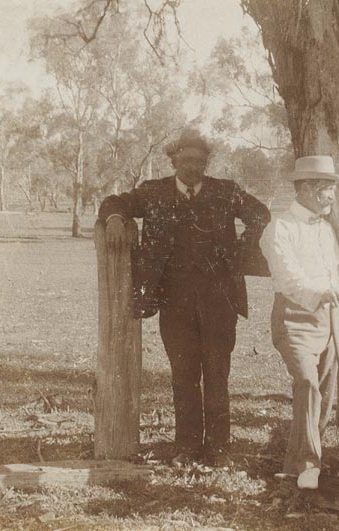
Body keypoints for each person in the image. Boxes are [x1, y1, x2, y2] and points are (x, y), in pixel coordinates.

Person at [98, 128, 271, 467]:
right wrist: (116, 218)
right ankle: (187, 446)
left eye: (200, 161)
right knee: (183, 375)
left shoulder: (226, 191)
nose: (194, 167)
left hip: (220, 304)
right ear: (174, 159)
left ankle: (219, 448)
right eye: (187, 160)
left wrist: (239, 253)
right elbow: (114, 202)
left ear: (207, 163)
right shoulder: (155, 192)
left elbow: (261, 214)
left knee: (217, 374)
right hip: (174, 307)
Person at [259, 155, 339, 490]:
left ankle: (300, 464)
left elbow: (336, 273)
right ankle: (309, 464)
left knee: (324, 394)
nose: (333, 196)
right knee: (307, 384)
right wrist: (323, 292)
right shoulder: (279, 228)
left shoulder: (326, 230)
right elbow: (289, 279)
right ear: (310, 189)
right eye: (329, 189)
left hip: (332, 318)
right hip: (295, 318)